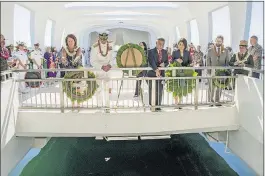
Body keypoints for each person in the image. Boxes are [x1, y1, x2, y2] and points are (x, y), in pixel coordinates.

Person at [90, 30, 115, 110]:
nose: (104, 40)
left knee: (107, 90)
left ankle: (107, 106)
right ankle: (99, 106)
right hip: (99, 71)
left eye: (105, 37)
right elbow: (92, 61)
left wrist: (110, 65)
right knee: (98, 90)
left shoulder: (110, 45)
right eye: (102, 37)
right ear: (99, 37)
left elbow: (113, 57)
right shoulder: (95, 46)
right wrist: (101, 67)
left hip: (108, 71)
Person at [206, 35, 230, 106]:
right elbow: (208, 61)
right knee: (211, 87)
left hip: (221, 71)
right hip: (212, 70)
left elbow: (227, 61)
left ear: (222, 41)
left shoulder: (225, 51)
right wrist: (209, 71)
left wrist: (226, 71)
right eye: (217, 40)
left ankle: (217, 101)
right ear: (215, 40)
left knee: (220, 86)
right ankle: (210, 101)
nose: (218, 42)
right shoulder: (210, 50)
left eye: (220, 41)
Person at [147, 38, 169, 111]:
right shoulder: (151, 51)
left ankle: (158, 105)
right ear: (156, 43)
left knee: (160, 90)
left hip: (161, 74)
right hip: (152, 73)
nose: (161, 45)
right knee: (152, 89)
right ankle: (152, 105)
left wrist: (164, 64)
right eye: (159, 44)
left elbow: (167, 62)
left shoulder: (165, 52)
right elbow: (151, 62)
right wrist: (156, 70)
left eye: (162, 44)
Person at [171, 38, 192, 108]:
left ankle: (180, 102)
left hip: (184, 73)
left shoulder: (187, 52)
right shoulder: (174, 52)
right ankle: (176, 102)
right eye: (180, 44)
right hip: (176, 73)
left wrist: (187, 65)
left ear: (185, 45)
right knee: (175, 87)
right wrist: (176, 60)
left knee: (182, 87)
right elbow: (171, 62)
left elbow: (190, 62)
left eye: (182, 44)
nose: (181, 46)